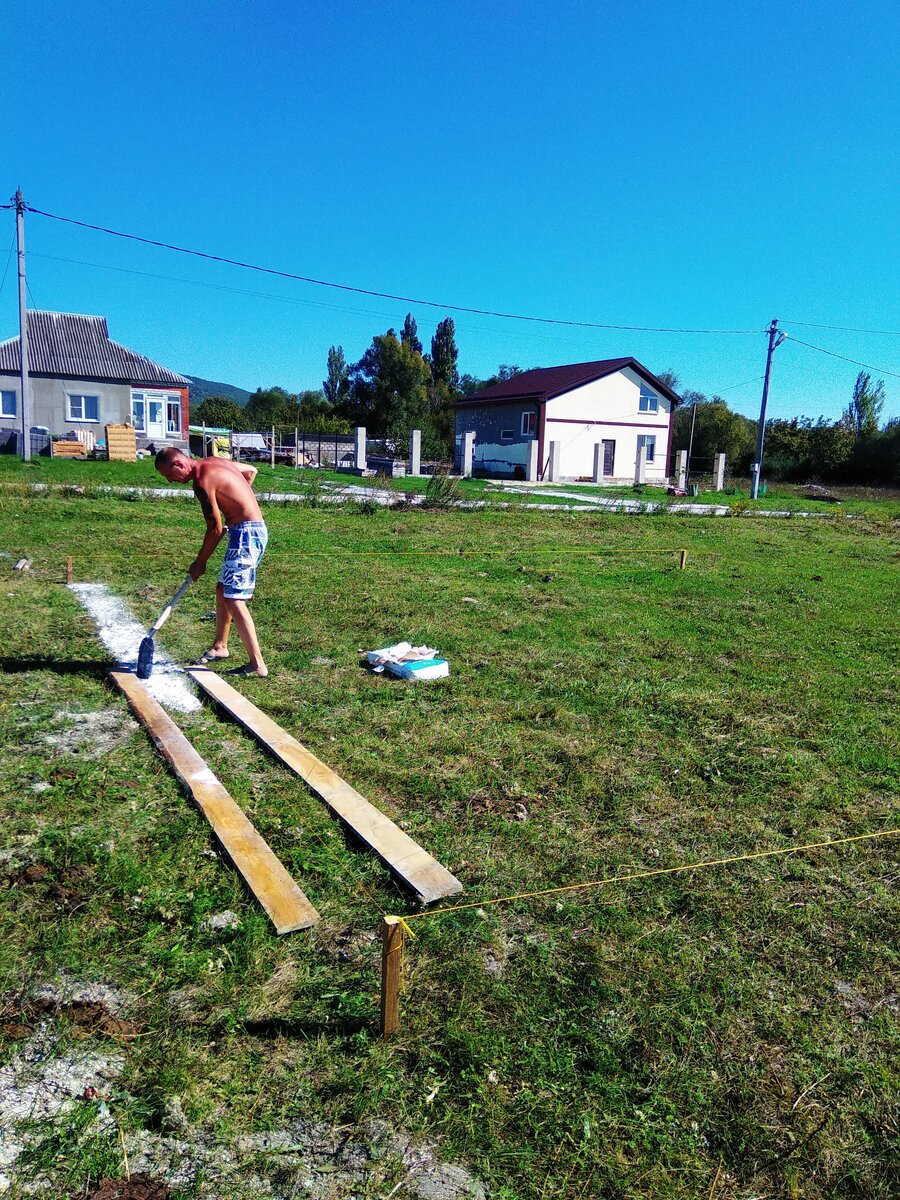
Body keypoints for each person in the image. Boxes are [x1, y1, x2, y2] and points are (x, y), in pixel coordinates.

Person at [155, 447, 269, 677]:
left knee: (234, 598)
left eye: (169, 475)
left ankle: (257, 665)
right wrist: (239, 502)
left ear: (178, 464)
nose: (170, 482)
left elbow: (215, 529)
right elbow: (250, 471)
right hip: (246, 531)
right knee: (223, 589)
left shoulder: (201, 482)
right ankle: (220, 646)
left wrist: (200, 562)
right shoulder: (215, 462)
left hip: (246, 535)